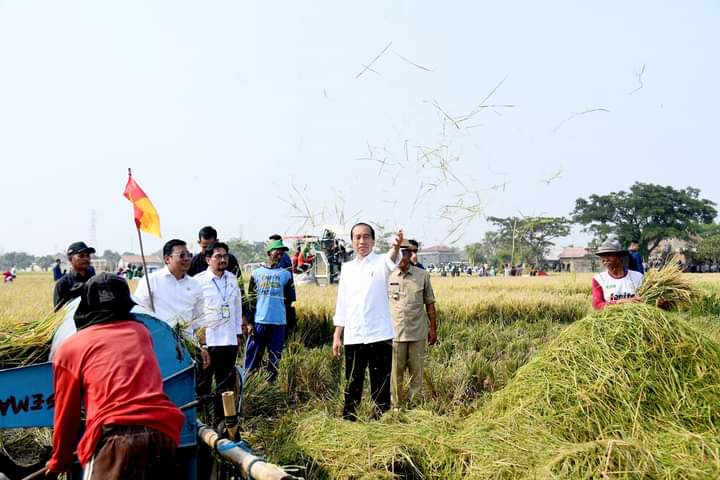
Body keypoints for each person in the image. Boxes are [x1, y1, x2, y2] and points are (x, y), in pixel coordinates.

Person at [45, 273, 185, 479]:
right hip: (163, 432)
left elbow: (67, 414)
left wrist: (59, 461)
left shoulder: (70, 348)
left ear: (86, 305)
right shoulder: (142, 332)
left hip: (115, 440)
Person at [332, 223, 402, 420]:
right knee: (352, 383)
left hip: (379, 335)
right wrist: (338, 335)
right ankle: (349, 421)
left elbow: (393, 258)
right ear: (352, 241)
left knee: (380, 385)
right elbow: (342, 304)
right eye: (357, 237)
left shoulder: (381, 262)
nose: (361, 241)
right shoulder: (347, 269)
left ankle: (380, 422)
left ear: (373, 240)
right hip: (354, 336)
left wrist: (396, 246)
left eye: (366, 237)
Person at [194, 242, 247, 425]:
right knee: (204, 385)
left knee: (225, 385)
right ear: (208, 259)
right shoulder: (199, 282)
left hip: (228, 340)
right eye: (218, 256)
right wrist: (200, 342)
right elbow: (194, 313)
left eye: (225, 256)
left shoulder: (232, 279)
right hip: (208, 342)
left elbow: (237, 308)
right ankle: (201, 422)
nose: (223, 259)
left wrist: (238, 334)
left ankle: (221, 423)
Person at [388, 240, 437, 408]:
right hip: (395, 334)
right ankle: (395, 406)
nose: (402, 256)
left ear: (410, 254)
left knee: (417, 373)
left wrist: (433, 329)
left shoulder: (422, 276)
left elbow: (430, 304)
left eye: (405, 253)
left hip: (418, 333)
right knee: (395, 374)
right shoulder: (387, 275)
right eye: (398, 253)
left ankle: (414, 404)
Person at [133, 239, 205, 348]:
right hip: (158, 342)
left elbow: (199, 317)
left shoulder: (195, 284)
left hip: (188, 345)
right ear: (167, 259)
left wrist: (201, 346)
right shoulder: (151, 280)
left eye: (189, 255)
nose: (187, 259)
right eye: (181, 255)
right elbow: (140, 311)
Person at [244, 238, 295, 382]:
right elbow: (251, 300)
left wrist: (289, 323)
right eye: (277, 253)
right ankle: (249, 384)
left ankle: (270, 386)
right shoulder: (256, 274)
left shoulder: (286, 275)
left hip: (278, 323)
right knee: (253, 356)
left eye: (281, 254)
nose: (279, 256)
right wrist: (249, 323)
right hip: (260, 321)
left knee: (275, 358)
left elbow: (289, 300)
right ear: (268, 253)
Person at [592, 238, 644, 310]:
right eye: (603, 256)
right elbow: (597, 305)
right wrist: (621, 302)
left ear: (619, 256)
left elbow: (647, 301)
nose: (605, 259)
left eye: (609, 255)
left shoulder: (638, 277)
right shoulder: (599, 279)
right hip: (610, 319)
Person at [53, 242, 97, 311]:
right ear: (70, 259)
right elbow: (58, 313)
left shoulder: (95, 279)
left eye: (88, 255)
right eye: (81, 256)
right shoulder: (62, 284)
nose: (86, 258)